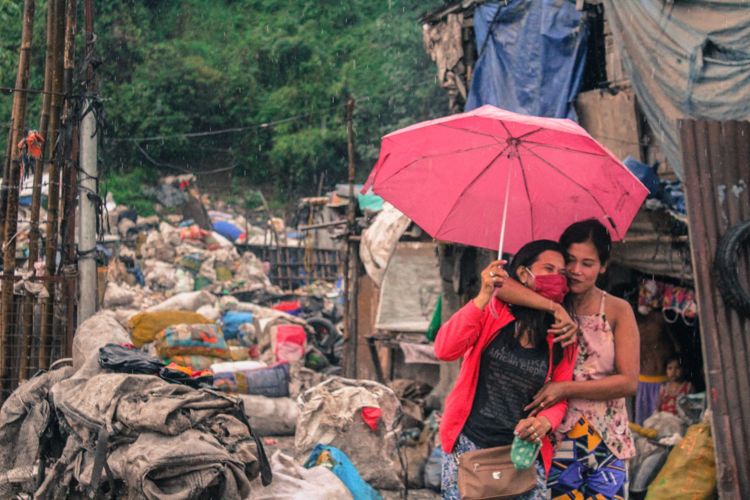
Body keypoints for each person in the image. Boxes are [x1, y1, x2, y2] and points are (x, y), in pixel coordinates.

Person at [495, 219, 640, 500]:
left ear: (604, 266)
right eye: (570, 261)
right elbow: (500, 287)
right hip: (553, 436)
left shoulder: (617, 310)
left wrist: (565, 388)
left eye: (588, 263)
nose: (576, 271)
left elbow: (628, 382)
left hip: (608, 439)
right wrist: (555, 308)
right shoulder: (544, 301)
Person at [434, 240, 578, 500]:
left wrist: (544, 422)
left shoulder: (562, 334)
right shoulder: (493, 310)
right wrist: (481, 296)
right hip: (469, 444)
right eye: (548, 269)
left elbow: (559, 398)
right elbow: (445, 350)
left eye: (562, 273)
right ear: (523, 274)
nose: (557, 278)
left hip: (523, 453)